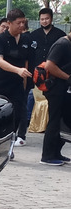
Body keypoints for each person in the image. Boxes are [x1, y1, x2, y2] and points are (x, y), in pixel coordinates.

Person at [0, 8, 34, 160]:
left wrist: (24, 81)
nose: (21, 26)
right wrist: (17, 70)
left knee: (16, 116)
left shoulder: (26, 40)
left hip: (17, 86)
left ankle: (9, 148)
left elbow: (26, 62)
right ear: (9, 23)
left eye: (23, 23)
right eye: (18, 23)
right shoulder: (0, 40)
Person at [27, 8, 66, 132]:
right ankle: (33, 123)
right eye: (42, 19)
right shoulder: (34, 35)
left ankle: (49, 124)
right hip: (36, 72)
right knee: (32, 98)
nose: (44, 21)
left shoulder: (60, 35)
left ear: (51, 19)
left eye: (47, 19)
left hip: (53, 73)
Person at [40, 32, 71, 165]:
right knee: (54, 120)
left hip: (64, 89)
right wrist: (68, 78)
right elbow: (49, 66)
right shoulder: (62, 44)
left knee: (63, 119)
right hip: (56, 88)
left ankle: (56, 152)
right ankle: (47, 156)